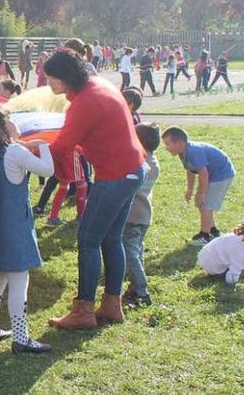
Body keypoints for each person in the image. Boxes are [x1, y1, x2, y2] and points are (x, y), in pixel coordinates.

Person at [44, 51, 146, 330]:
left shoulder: (86, 101)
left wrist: (31, 152)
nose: (48, 82)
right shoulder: (98, 85)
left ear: (66, 76)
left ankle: (84, 311)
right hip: (132, 169)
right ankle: (112, 305)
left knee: (88, 239)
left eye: (51, 77)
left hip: (115, 175)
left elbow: (62, 146)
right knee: (111, 239)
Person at [0, 108, 54, 353]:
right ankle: (21, 337)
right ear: (2, 126)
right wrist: (43, 146)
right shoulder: (15, 152)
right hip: (14, 227)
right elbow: (48, 170)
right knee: (19, 282)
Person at [161, 126, 235, 247]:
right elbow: (190, 170)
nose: (166, 148)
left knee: (206, 204)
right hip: (210, 175)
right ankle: (213, 230)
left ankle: (204, 236)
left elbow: (203, 173)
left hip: (221, 175)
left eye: (167, 144)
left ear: (179, 143)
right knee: (200, 202)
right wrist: (190, 189)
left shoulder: (194, 151)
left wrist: (203, 193)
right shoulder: (183, 153)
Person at [122, 123, 160, 308]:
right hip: (142, 216)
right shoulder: (152, 161)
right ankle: (135, 286)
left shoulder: (140, 163)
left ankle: (141, 291)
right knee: (137, 252)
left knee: (130, 255)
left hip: (133, 216)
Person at [197, 215, 244, 286]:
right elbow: (233, 274)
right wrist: (232, 284)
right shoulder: (243, 251)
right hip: (217, 271)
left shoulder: (233, 235)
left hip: (204, 259)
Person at [46, 146, 88, 226]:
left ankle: (53, 217)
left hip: (57, 150)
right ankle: (81, 216)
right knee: (82, 185)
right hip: (71, 151)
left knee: (63, 187)